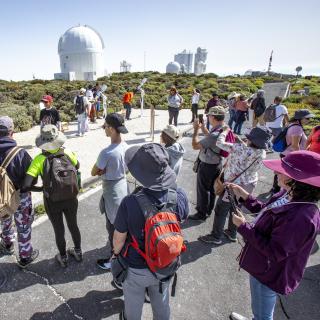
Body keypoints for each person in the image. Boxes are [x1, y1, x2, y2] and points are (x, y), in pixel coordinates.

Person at [229, 150, 320, 320]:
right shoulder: (289, 194)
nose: (276, 172)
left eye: (282, 170)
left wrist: (243, 226)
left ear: (296, 180)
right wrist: (246, 197)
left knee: (263, 313)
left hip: (270, 273)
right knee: (259, 304)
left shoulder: (302, 217)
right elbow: (267, 210)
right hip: (263, 266)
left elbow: (274, 251)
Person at [112, 143, 189, 320]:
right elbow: (181, 220)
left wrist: (115, 256)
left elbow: (118, 240)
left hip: (137, 267)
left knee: (133, 305)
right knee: (162, 303)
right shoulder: (180, 195)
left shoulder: (129, 203)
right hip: (167, 262)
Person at [198, 127, 270, 244]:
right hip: (248, 185)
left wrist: (225, 132)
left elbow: (219, 143)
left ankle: (216, 236)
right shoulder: (262, 153)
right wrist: (241, 142)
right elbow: (248, 151)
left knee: (221, 208)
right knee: (236, 207)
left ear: (251, 140)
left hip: (233, 185)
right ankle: (232, 233)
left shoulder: (239, 148)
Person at [23, 125, 82, 268]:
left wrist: (42, 188)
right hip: (71, 197)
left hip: (52, 200)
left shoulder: (39, 159)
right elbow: (78, 166)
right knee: (73, 224)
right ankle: (78, 252)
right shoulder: (67, 152)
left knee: (59, 229)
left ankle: (63, 257)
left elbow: (26, 184)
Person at [91, 113, 129, 270]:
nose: (104, 129)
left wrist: (101, 171)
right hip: (123, 185)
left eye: (105, 126)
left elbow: (94, 171)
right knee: (124, 223)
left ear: (112, 129)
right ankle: (124, 252)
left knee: (113, 227)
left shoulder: (106, 152)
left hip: (111, 191)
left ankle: (115, 259)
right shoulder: (126, 147)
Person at [0, 116, 39, 268]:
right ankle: (25, 256)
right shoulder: (20, 154)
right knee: (23, 225)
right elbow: (33, 179)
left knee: (5, 218)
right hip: (21, 196)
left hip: (1, 196)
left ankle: (7, 243)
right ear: (12, 132)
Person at [188, 106, 226, 221]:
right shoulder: (223, 128)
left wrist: (195, 130)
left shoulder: (215, 134)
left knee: (203, 190)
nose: (207, 117)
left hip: (208, 165)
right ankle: (208, 210)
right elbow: (210, 137)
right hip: (216, 164)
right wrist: (203, 127)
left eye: (208, 115)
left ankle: (201, 214)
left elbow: (195, 146)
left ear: (213, 117)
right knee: (211, 189)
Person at [270, 109, 315, 194]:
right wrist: (299, 158)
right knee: (286, 175)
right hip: (291, 155)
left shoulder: (292, 125)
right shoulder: (297, 128)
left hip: (286, 153)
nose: (309, 120)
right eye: (307, 118)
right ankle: (279, 192)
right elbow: (295, 145)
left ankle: (275, 189)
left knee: (280, 172)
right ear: (300, 118)